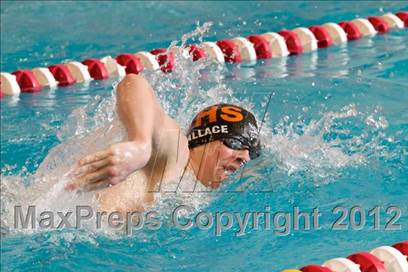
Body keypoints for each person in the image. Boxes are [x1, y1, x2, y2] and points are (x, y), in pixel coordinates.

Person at [65, 74, 261, 212]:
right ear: (204, 138)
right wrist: (140, 144)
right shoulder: (178, 152)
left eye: (248, 153)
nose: (243, 157)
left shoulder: (191, 184)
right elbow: (133, 83)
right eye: (235, 144)